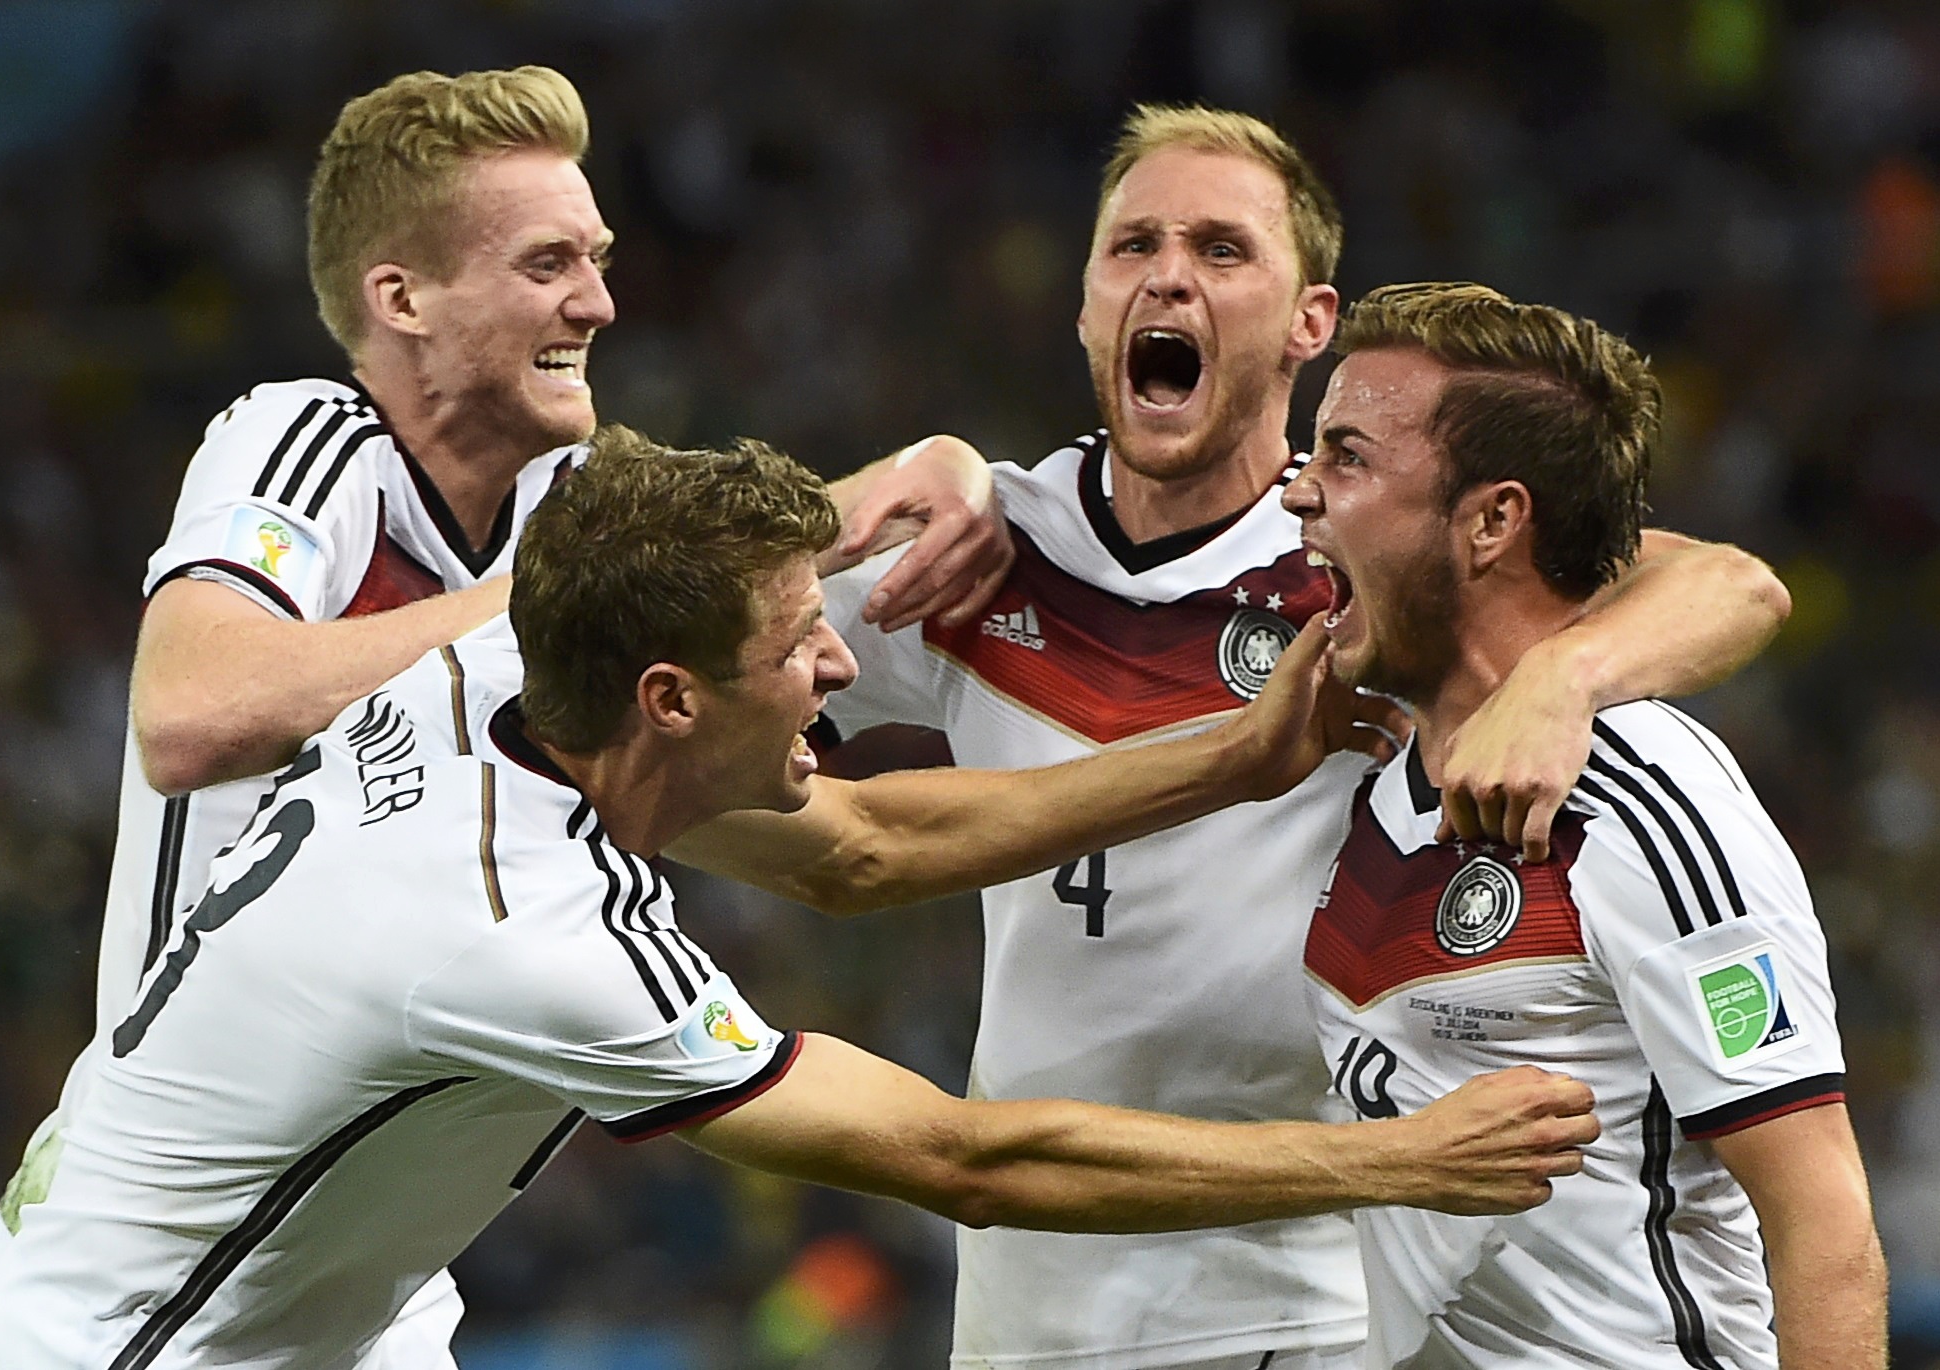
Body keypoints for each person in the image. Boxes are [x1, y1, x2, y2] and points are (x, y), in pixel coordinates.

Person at [0, 430, 1601, 1370]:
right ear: (669, 697)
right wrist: (1393, 1164)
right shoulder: (527, 936)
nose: (834, 663)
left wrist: (1229, 763)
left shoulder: (504, 673)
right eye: (794, 647)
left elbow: (860, 850)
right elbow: (968, 1160)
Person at [682, 107, 1794, 1370]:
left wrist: (1566, 673)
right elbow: (634, 687)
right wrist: (855, 497)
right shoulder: (978, 549)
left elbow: (1733, 583)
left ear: (1309, 324)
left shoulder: (1370, 556)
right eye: (1132, 246)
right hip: (1021, 1294)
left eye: (1221, 249)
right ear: (1091, 304)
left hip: (1295, 1287)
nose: (1168, 273)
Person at [53, 66, 1009, 1368]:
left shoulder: (572, 495)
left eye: (600, 259)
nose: (600, 302)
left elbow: (745, 588)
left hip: (374, 1278)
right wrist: (547, 606)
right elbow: (191, 708)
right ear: (402, 296)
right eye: (548, 262)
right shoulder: (308, 440)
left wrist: (929, 468)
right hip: (178, 1252)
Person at [1286, 281, 1885, 1370]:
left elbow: (1823, 1221)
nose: (1298, 494)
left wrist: (1564, 670)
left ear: (1491, 521)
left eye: (1346, 458)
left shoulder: (1643, 798)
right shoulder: (1380, 777)